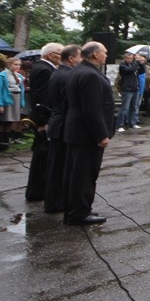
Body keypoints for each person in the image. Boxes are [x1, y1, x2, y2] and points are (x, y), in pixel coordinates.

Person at [63, 41, 114, 225]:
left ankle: (75, 209)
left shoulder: (77, 71)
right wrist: (101, 134)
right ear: (94, 54)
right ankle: (80, 212)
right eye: (104, 52)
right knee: (84, 175)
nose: (106, 55)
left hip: (77, 131)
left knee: (77, 173)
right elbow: (91, 109)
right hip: (86, 134)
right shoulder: (89, 75)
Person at [44, 44, 82, 214]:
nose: (81, 60)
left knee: (56, 166)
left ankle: (54, 200)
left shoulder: (58, 73)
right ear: (72, 58)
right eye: (80, 57)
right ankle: (56, 202)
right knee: (60, 167)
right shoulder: (67, 75)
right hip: (63, 125)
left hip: (57, 122)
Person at [26, 43, 63, 202]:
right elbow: (42, 99)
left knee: (43, 155)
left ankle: (39, 189)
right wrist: (43, 121)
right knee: (43, 155)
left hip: (44, 117)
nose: (62, 57)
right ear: (51, 55)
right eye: (60, 54)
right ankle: (38, 190)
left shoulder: (42, 68)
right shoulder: (44, 70)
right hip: (44, 119)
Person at [115, 52, 142, 132]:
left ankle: (132, 123)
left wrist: (140, 63)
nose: (129, 60)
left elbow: (141, 71)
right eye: (128, 58)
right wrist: (136, 62)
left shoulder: (134, 65)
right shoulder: (123, 66)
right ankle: (119, 125)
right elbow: (130, 70)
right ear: (124, 59)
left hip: (135, 88)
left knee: (133, 107)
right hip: (127, 89)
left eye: (131, 58)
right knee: (124, 107)